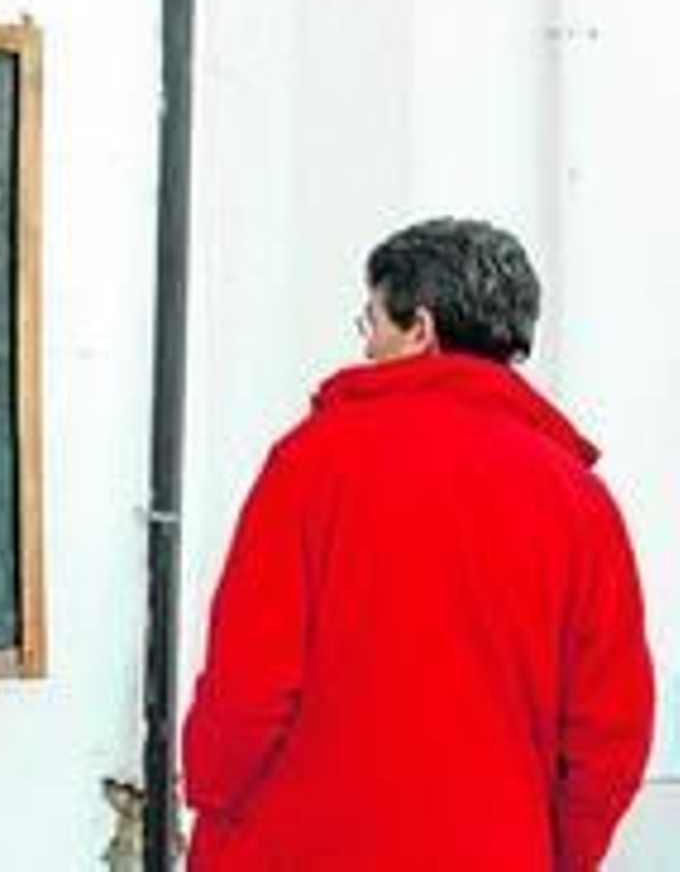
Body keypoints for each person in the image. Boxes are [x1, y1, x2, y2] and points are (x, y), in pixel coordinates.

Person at [182, 217, 654, 870]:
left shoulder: (311, 464)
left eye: (371, 322)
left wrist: (210, 793)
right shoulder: (580, 501)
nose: (366, 346)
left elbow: (250, 685)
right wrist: (558, 853)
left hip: (301, 843)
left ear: (421, 329)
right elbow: (610, 732)